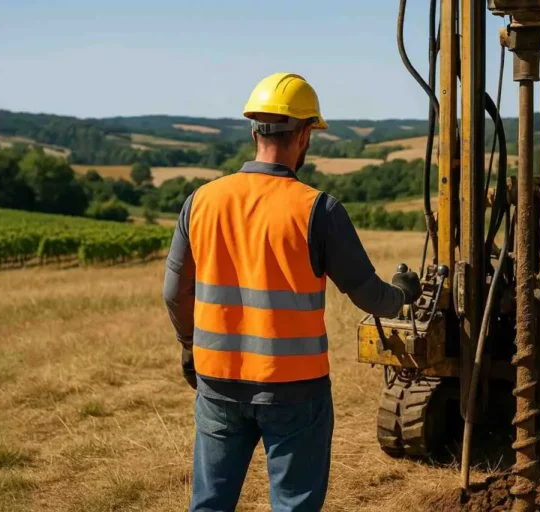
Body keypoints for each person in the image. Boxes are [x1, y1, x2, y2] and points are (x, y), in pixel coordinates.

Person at [163, 72, 423, 512]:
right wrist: (402, 293)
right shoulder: (318, 209)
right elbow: (367, 295)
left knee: (209, 503)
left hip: (217, 383)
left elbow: (174, 292)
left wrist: (189, 345)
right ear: (304, 135)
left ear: (254, 131)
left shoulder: (201, 201)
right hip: (294, 390)